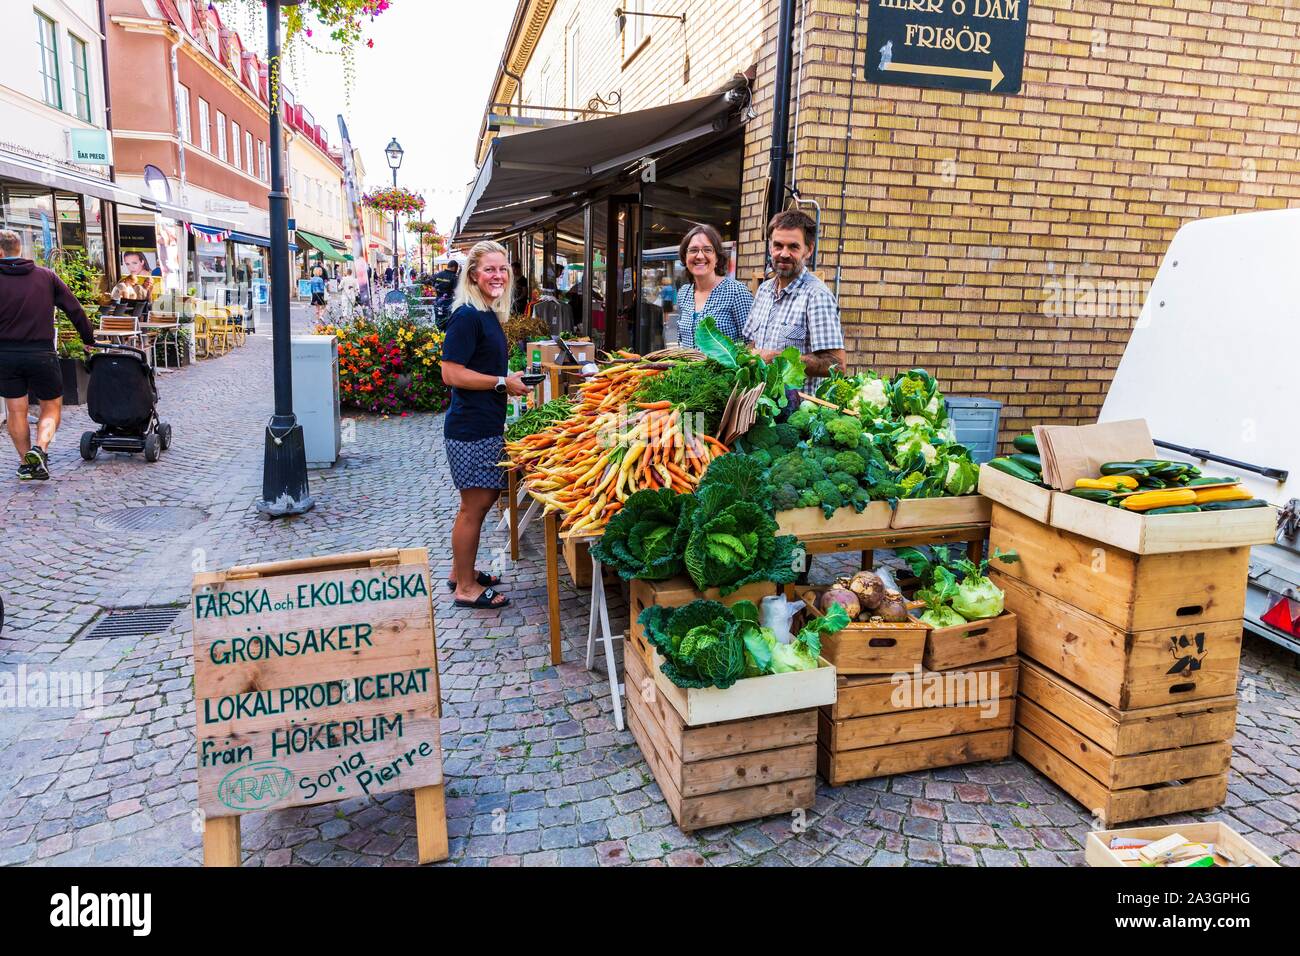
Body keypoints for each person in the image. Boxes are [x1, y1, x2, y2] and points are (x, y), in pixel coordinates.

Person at [440, 240, 529, 610]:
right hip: (470, 427)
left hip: (483, 422)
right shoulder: (467, 316)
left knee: (482, 499)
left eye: (502, 269)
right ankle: (464, 587)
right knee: (473, 507)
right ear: (473, 276)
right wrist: (500, 383)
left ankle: (461, 572)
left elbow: (483, 368)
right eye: (489, 269)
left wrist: (507, 379)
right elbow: (451, 372)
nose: (497, 275)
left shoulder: (487, 313)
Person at [0, 229, 96, 480]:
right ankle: (40, 449)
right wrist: (88, 340)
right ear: (19, 249)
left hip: (6, 355)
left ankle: (26, 464)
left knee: (16, 410)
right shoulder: (46, 276)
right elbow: (74, 309)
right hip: (41, 352)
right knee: (52, 408)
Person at [744, 209, 846, 392]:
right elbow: (751, 344)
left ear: (809, 250)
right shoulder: (764, 290)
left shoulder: (816, 296)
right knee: (692, 421)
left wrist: (776, 359)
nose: (784, 253)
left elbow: (836, 365)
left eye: (793, 247)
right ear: (770, 247)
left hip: (797, 415)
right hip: (759, 406)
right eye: (778, 245)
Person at [675, 224, 753, 348]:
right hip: (687, 366)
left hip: (726, 367)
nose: (700, 256)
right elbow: (681, 341)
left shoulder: (736, 292)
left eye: (707, 250)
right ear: (685, 257)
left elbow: (751, 343)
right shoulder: (683, 293)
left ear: (717, 257)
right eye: (693, 250)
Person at [431, 260, 460, 325]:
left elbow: (433, 288)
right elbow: (456, 291)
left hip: (438, 301)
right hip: (448, 302)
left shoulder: (438, 274)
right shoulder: (453, 277)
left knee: (438, 321)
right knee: (447, 322)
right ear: (454, 267)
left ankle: (438, 334)